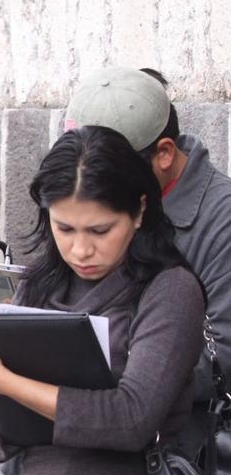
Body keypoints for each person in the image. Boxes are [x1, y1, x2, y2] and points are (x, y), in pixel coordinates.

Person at [0, 126, 205, 475]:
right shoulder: (36, 288)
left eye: (101, 230)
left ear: (140, 212)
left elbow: (131, 419)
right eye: (64, 228)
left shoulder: (169, 290)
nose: (81, 249)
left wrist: (1, 380)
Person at [65, 66, 231, 424]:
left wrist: (128, 389)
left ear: (165, 154)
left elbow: (224, 355)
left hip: (181, 453)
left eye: (111, 176)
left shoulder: (222, 222)